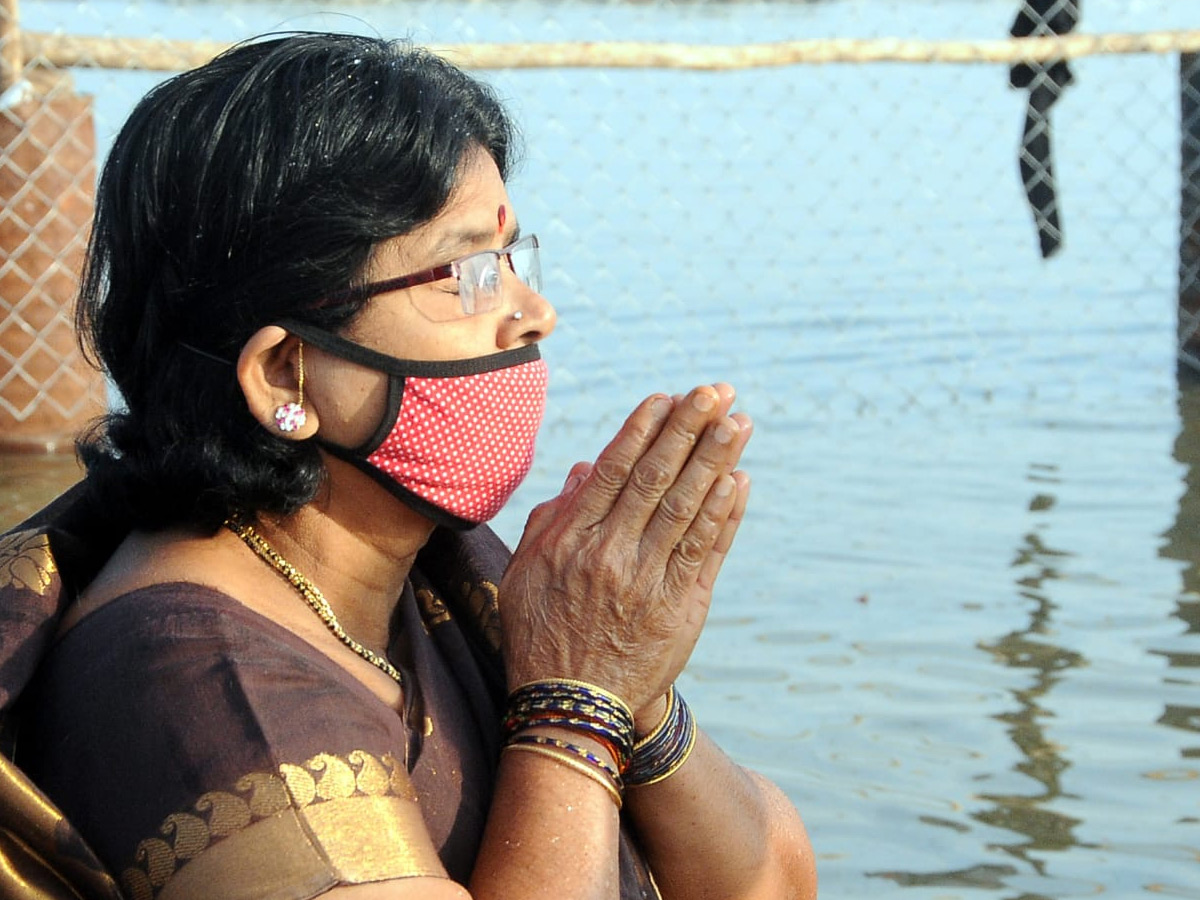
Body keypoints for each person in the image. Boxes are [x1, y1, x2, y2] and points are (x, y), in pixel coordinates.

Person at [0, 32, 817, 900]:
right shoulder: (198, 677)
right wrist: (574, 704)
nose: (534, 313)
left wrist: (625, 681)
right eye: (464, 273)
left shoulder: (433, 575)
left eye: (509, 261)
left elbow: (775, 882)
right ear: (287, 374)